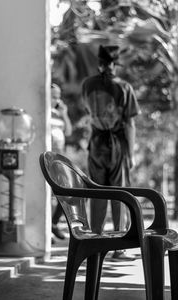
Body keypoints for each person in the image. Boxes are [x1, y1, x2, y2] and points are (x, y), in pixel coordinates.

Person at [81, 45, 140, 261]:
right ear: (115, 64)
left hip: (96, 143)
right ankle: (119, 247)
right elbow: (130, 124)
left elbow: (88, 111)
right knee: (120, 195)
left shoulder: (87, 84)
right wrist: (131, 153)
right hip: (117, 144)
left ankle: (95, 244)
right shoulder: (124, 87)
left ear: (99, 63)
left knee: (97, 193)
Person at [51, 83, 72, 241]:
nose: (56, 99)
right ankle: (48, 227)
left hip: (59, 157)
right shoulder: (45, 111)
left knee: (66, 190)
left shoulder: (59, 113)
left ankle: (54, 222)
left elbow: (69, 131)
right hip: (48, 157)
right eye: (53, 96)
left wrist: (64, 113)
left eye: (58, 96)